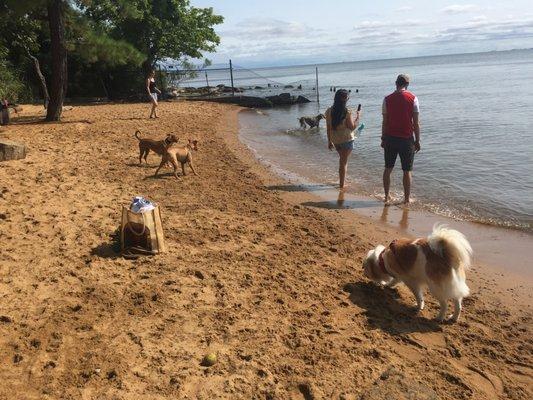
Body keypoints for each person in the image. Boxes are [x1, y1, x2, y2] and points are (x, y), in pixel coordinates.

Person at [381, 74, 420, 204]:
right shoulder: (413, 98)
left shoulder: (387, 99)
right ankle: (407, 199)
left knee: (388, 168)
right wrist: (417, 140)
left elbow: (384, 122)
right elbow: (416, 123)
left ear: (396, 83)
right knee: (407, 171)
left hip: (390, 138)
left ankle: (386, 196)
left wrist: (383, 138)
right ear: (407, 84)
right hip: (406, 139)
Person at [325, 89, 360, 189]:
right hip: (347, 140)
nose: (349, 98)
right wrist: (358, 116)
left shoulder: (328, 111)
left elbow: (328, 128)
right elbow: (352, 127)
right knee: (343, 162)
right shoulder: (347, 111)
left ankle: (341, 182)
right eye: (348, 97)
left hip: (336, 140)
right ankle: (341, 185)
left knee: (342, 160)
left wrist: (329, 141)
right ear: (345, 99)